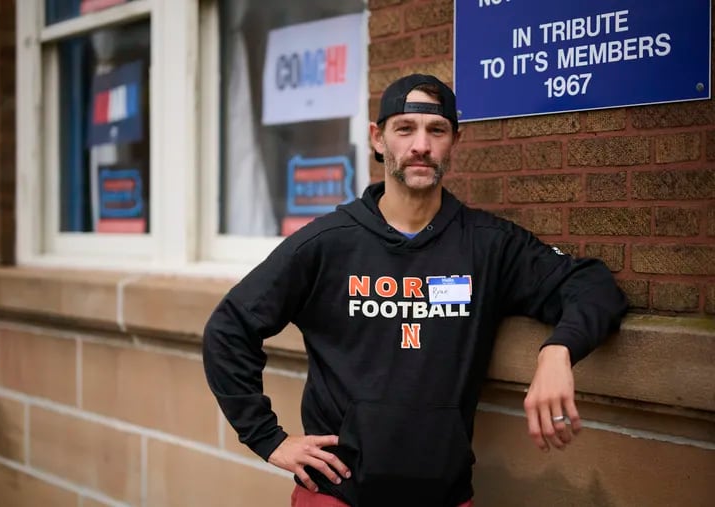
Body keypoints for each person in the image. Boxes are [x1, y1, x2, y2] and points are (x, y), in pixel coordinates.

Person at [203, 74, 628, 507]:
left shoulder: (488, 245)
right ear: (378, 138)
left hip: (444, 495)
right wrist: (268, 438)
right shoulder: (328, 243)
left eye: (436, 130)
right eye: (404, 129)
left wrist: (557, 351)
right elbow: (230, 328)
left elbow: (592, 285)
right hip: (338, 494)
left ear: (454, 141)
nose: (420, 145)